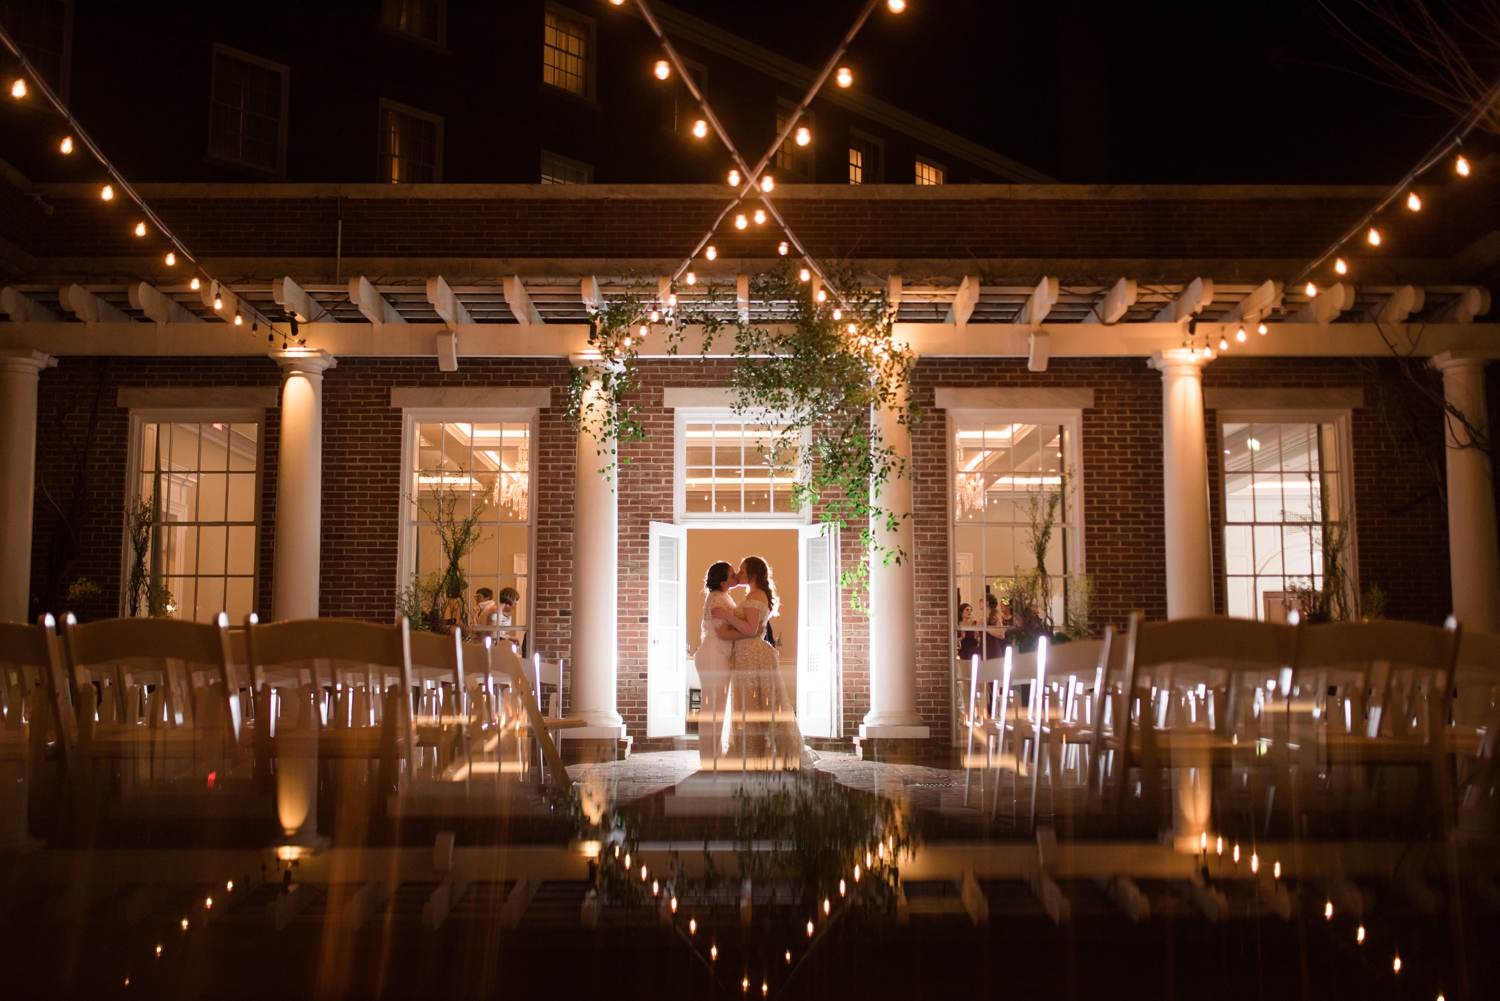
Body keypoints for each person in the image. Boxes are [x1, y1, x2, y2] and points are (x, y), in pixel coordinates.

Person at [712, 556, 803, 766]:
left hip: (752, 655)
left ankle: (756, 754)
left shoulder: (756, 595)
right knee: (748, 703)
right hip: (746, 653)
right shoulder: (754, 594)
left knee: (753, 704)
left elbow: (752, 629)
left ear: (752, 574)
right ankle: (750, 751)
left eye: (742, 571)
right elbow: (754, 629)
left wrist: (727, 616)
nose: (738, 575)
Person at [694, 561, 742, 766]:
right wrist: (749, 633)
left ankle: (714, 754)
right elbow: (723, 633)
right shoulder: (717, 599)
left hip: (718, 654)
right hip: (714, 655)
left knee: (718, 706)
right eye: (733, 576)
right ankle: (709, 757)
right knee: (713, 707)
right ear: (723, 583)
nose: (737, 576)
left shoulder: (722, 596)